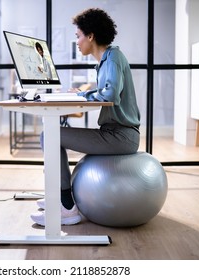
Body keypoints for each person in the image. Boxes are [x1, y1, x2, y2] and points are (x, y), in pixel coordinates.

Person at [31, 8, 141, 226]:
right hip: (116, 134)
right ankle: (60, 199)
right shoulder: (107, 60)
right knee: (50, 134)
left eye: (78, 36)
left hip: (121, 137)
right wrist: (81, 94)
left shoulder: (113, 57)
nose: (78, 42)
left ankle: (66, 206)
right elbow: (105, 93)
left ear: (91, 36)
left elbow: (109, 95)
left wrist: (81, 94)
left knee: (51, 135)